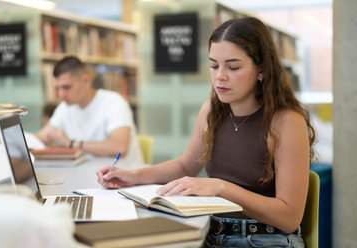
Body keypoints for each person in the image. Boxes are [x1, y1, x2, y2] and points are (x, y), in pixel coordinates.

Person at [97, 17, 315, 248]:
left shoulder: (286, 121)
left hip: (267, 239)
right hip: (209, 233)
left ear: (261, 69)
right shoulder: (212, 111)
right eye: (214, 65)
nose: (220, 76)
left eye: (233, 67)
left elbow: (290, 217)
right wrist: (134, 176)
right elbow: (184, 166)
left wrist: (221, 188)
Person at [36, 56, 142, 163]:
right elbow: (40, 137)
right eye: (57, 88)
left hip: (123, 175)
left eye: (66, 87)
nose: (61, 94)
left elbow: (120, 148)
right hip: (89, 173)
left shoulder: (114, 102)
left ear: (86, 80)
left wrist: (71, 144)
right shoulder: (64, 107)